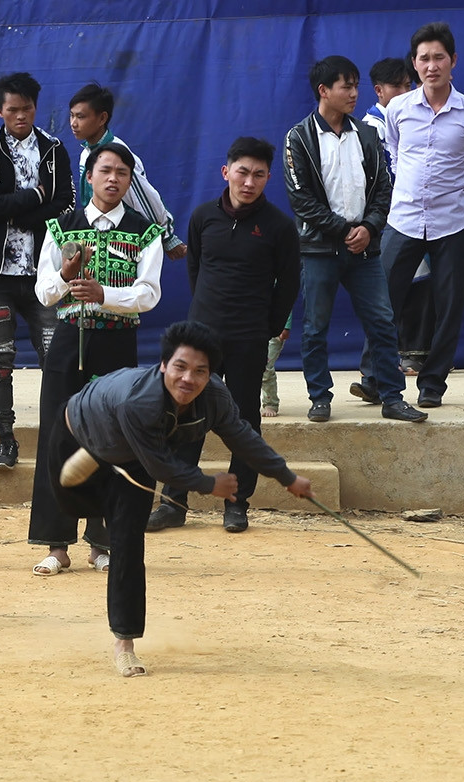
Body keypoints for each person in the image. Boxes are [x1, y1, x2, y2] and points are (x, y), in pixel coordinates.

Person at [47, 321, 314, 676]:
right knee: (71, 505)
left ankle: (124, 643)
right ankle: (101, 451)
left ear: (210, 375)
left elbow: (243, 438)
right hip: (77, 430)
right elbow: (163, 468)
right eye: (180, 367)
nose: (188, 379)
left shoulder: (215, 397)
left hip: (136, 455)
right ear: (163, 366)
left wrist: (288, 477)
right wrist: (208, 484)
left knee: (126, 539)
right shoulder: (139, 402)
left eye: (200, 372)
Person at [148, 137, 301, 533]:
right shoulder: (202, 217)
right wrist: (204, 316)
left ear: (269, 177)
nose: (249, 182)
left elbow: (288, 284)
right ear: (226, 172)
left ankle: (237, 503)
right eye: (242, 172)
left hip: (250, 336)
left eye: (259, 175)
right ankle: (173, 502)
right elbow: (196, 270)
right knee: (185, 414)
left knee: (243, 419)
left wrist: (266, 326)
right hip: (202, 336)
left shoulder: (279, 227)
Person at [26, 141, 164, 576]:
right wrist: (66, 278)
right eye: (105, 170)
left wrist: (107, 295)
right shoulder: (60, 228)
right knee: (57, 436)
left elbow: (149, 294)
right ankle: (56, 543)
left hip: (117, 345)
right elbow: (42, 290)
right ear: (89, 176)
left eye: (122, 173)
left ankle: (104, 541)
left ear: (130, 180)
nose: (113, 179)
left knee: (115, 439)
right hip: (68, 342)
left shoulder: (145, 230)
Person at [285, 55, 420, 425]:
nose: (354, 93)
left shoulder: (367, 134)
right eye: (346, 86)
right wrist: (344, 231)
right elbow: (301, 199)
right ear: (323, 90)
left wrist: (370, 228)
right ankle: (319, 398)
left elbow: (383, 190)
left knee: (382, 322)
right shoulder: (299, 137)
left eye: (357, 85)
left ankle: (392, 397)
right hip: (319, 250)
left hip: (366, 249)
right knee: (315, 327)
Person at [380, 22, 464, 409]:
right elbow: (394, 152)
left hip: (452, 222)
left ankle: (432, 384)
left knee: (448, 306)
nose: (432, 66)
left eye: (438, 57)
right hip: (403, 218)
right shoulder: (398, 108)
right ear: (415, 64)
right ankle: (377, 377)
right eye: (424, 59)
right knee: (384, 300)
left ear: (453, 61)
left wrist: (448, 190)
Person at [0, 70, 75, 468]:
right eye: (12, 109)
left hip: (43, 274)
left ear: (35, 107)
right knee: (1, 357)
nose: (20, 116)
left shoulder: (54, 149)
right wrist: (35, 196)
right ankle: (5, 438)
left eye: (27, 108)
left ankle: (57, 437)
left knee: (54, 356)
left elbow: (65, 203)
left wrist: (25, 215)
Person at [364, 57, 430, 376]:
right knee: (386, 290)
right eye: (398, 86)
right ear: (379, 91)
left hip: (418, 215)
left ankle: (415, 353)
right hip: (384, 220)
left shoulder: (416, 119)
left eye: (409, 85)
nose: (406, 91)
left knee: (418, 283)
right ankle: (380, 363)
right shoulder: (368, 127)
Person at [66, 84, 186, 260]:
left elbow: (146, 199)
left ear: (102, 119)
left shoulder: (119, 156)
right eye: (71, 116)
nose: (73, 123)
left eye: (81, 117)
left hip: (126, 241)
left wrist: (167, 236)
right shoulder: (86, 154)